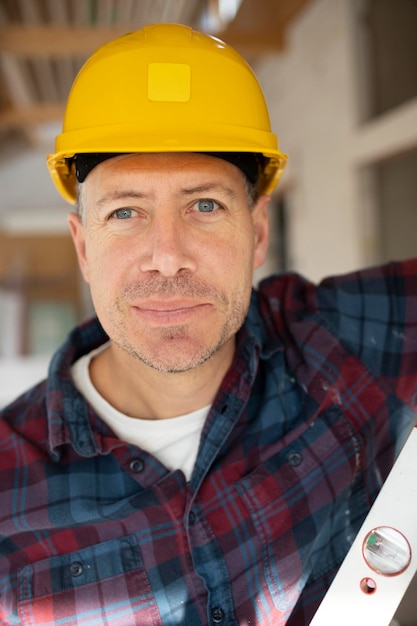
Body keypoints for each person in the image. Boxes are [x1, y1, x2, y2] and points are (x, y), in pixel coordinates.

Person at [0, 23, 416, 626]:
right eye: (125, 212)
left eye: (204, 206)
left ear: (258, 233)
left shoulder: (336, 342)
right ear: (83, 247)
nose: (167, 256)